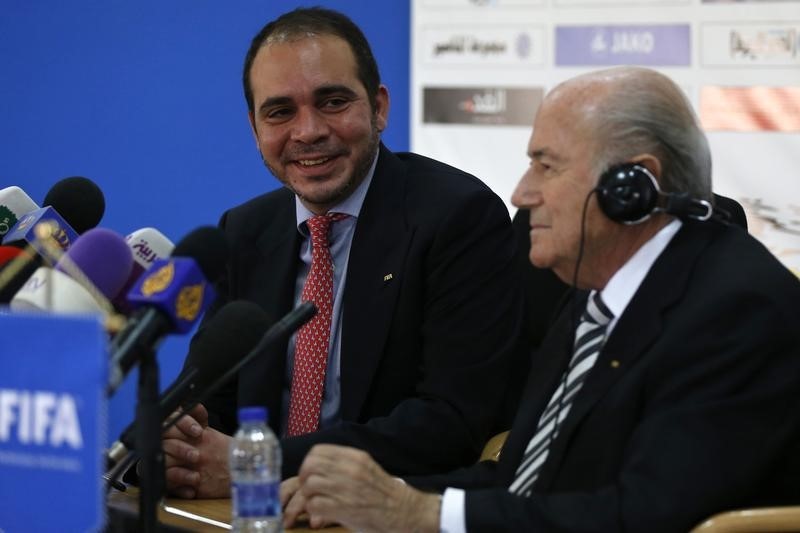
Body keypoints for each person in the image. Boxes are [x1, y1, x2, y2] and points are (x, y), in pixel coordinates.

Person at [285, 66, 800, 532]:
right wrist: (378, 497)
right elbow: (523, 487)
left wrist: (421, 515)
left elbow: (650, 514)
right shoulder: (588, 303)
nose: (521, 194)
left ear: (635, 185)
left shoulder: (736, 311)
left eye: (546, 167)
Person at [160, 7, 524, 499]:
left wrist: (261, 464)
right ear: (255, 127)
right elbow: (213, 398)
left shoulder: (458, 217)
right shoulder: (245, 230)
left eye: (332, 101)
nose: (307, 130)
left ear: (378, 108)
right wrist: (176, 447)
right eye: (280, 111)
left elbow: (450, 422)